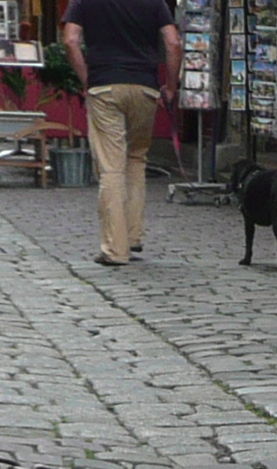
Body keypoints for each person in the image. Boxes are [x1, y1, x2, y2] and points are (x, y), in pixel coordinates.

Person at [63, 0, 179, 268]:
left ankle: (116, 249)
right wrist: (171, 86)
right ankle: (132, 234)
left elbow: (70, 40)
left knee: (111, 167)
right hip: (144, 87)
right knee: (136, 157)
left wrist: (86, 78)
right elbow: (173, 42)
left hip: (104, 86)